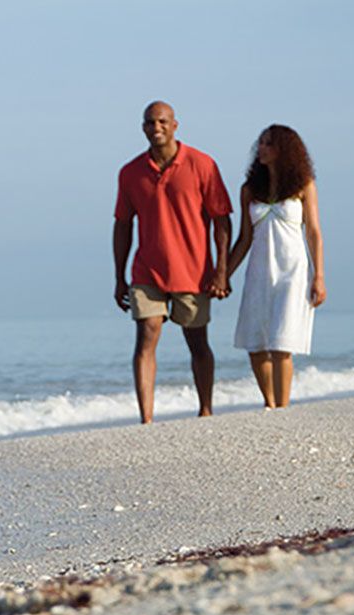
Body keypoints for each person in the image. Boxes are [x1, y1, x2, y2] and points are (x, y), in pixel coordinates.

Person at [113, 101, 234, 424]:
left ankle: (206, 409)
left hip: (193, 271)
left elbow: (222, 220)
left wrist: (222, 272)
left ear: (175, 125)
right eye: (151, 123)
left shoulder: (202, 164)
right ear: (143, 128)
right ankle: (146, 419)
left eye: (163, 122)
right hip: (146, 270)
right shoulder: (130, 172)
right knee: (147, 333)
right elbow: (122, 225)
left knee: (197, 342)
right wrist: (119, 276)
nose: (157, 128)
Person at [227, 124, 326, 408]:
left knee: (281, 344)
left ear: (284, 150)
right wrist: (224, 275)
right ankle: (269, 404)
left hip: (293, 271)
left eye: (268, 144)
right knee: (255, 345)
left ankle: (283, 409)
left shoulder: (303, 186)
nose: (261, 149)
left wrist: (319, 276)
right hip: (259, 271)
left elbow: (314, 233)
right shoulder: (249, 190)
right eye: (260, 143)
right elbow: (244, 238)